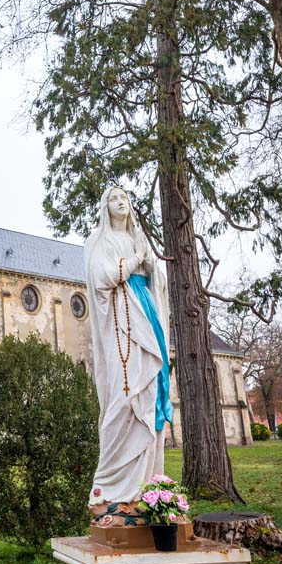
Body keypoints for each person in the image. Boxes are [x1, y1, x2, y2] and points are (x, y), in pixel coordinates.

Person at [85, 185, 174, 514]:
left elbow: (156, 279)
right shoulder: (99, 242)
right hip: (121, 321)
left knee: (149, 390)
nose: (120, 202)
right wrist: (136, 258)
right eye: (112, 198)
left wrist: (150, 265)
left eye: (124, 197)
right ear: (104, 208)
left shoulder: (140, 238)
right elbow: (101, 277)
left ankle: (145, 489)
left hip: (144, 311)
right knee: (124, 398)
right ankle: (109, 485)